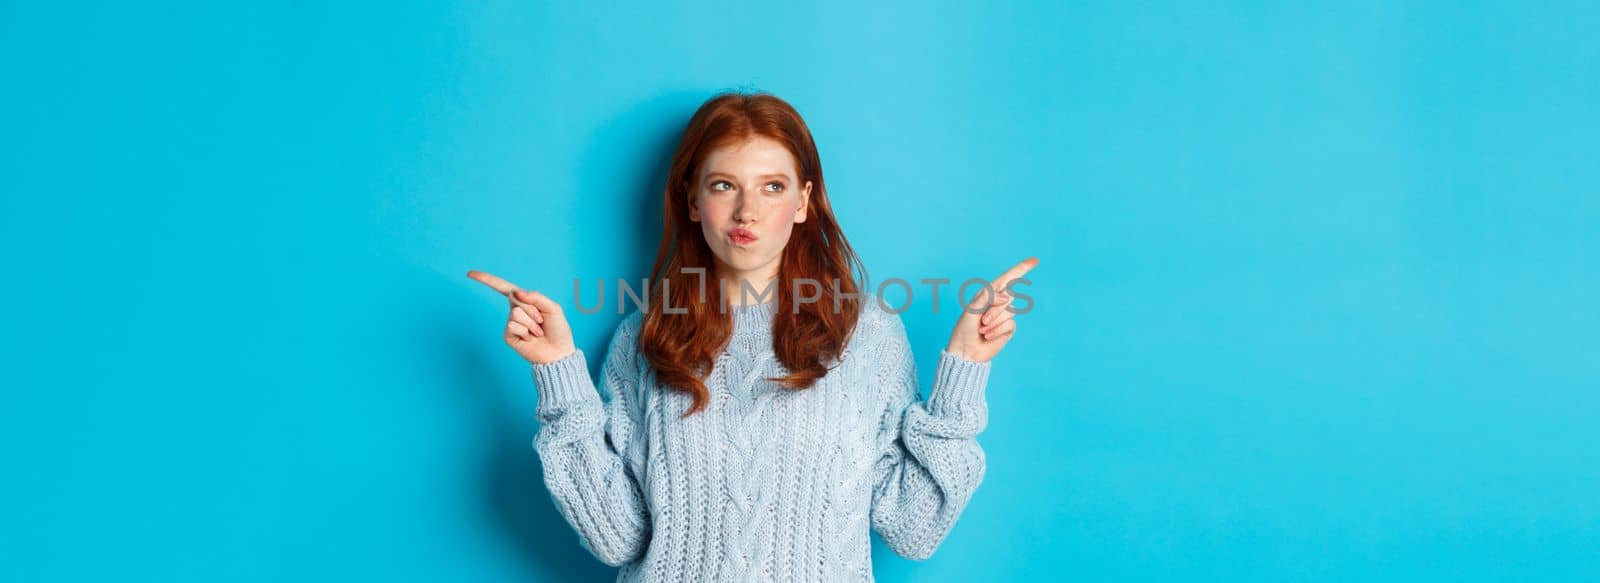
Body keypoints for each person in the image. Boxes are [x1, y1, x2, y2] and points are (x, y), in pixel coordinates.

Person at [468, 91, 1037, 582]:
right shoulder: (645, 337)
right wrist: (559, 373)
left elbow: (914, 528)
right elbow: (617, 538)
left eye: (771, 186)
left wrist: (965, 367)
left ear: (803, 201)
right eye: (723, 185)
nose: (747, 210)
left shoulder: (866, 335)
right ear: (692, 200)